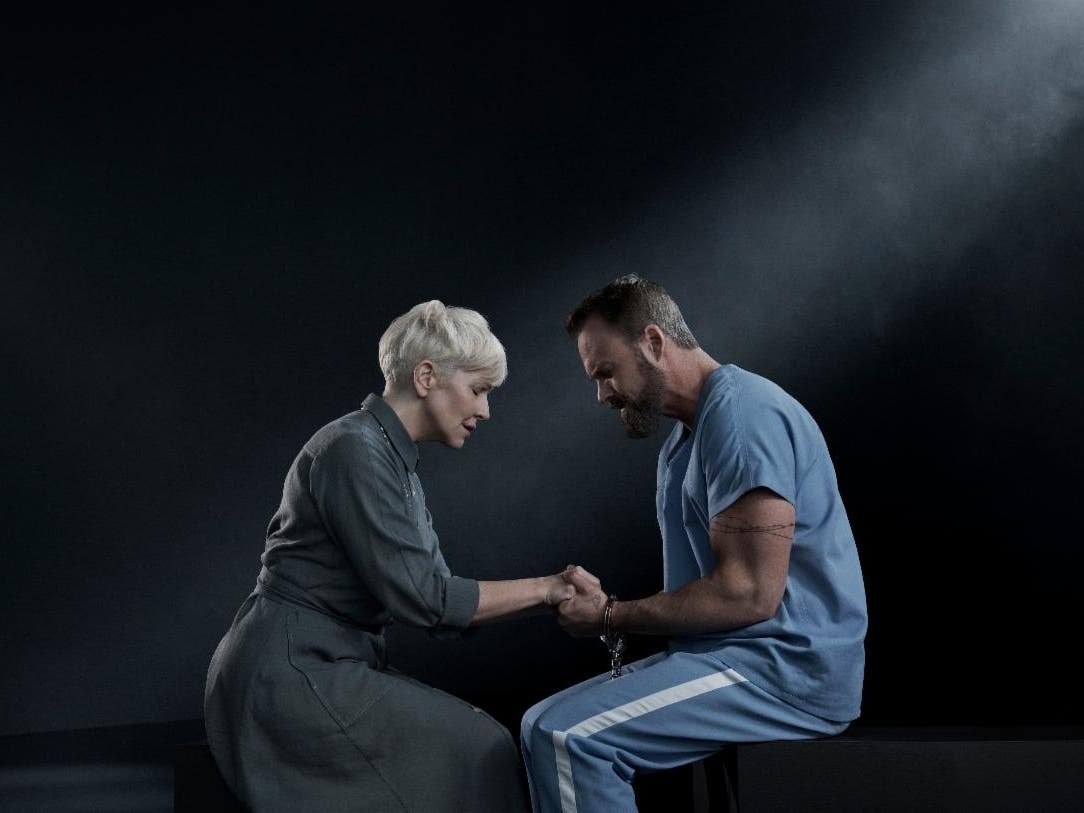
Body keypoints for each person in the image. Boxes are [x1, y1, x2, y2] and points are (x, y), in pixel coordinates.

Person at [204, 300, 574, 812]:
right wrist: (550, 588)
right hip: (290, 677)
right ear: (426, 376)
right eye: (479, 390)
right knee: (482, 749)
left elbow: (435, 595)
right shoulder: (354, 450)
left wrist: (555, 597)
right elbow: (428, 600)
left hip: (317, 664)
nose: (485, 411)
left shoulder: (384, 456)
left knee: (478, 745)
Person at [521, 275, 868, 813]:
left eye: (606, 372)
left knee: (568, 737)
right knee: (537, 722)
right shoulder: (683, 441)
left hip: (785, 671)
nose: (602, 394)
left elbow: (749, 594)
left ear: (654, 343)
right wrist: (605, 612)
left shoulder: (744, 415)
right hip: (733, 658)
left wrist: (611, 615)